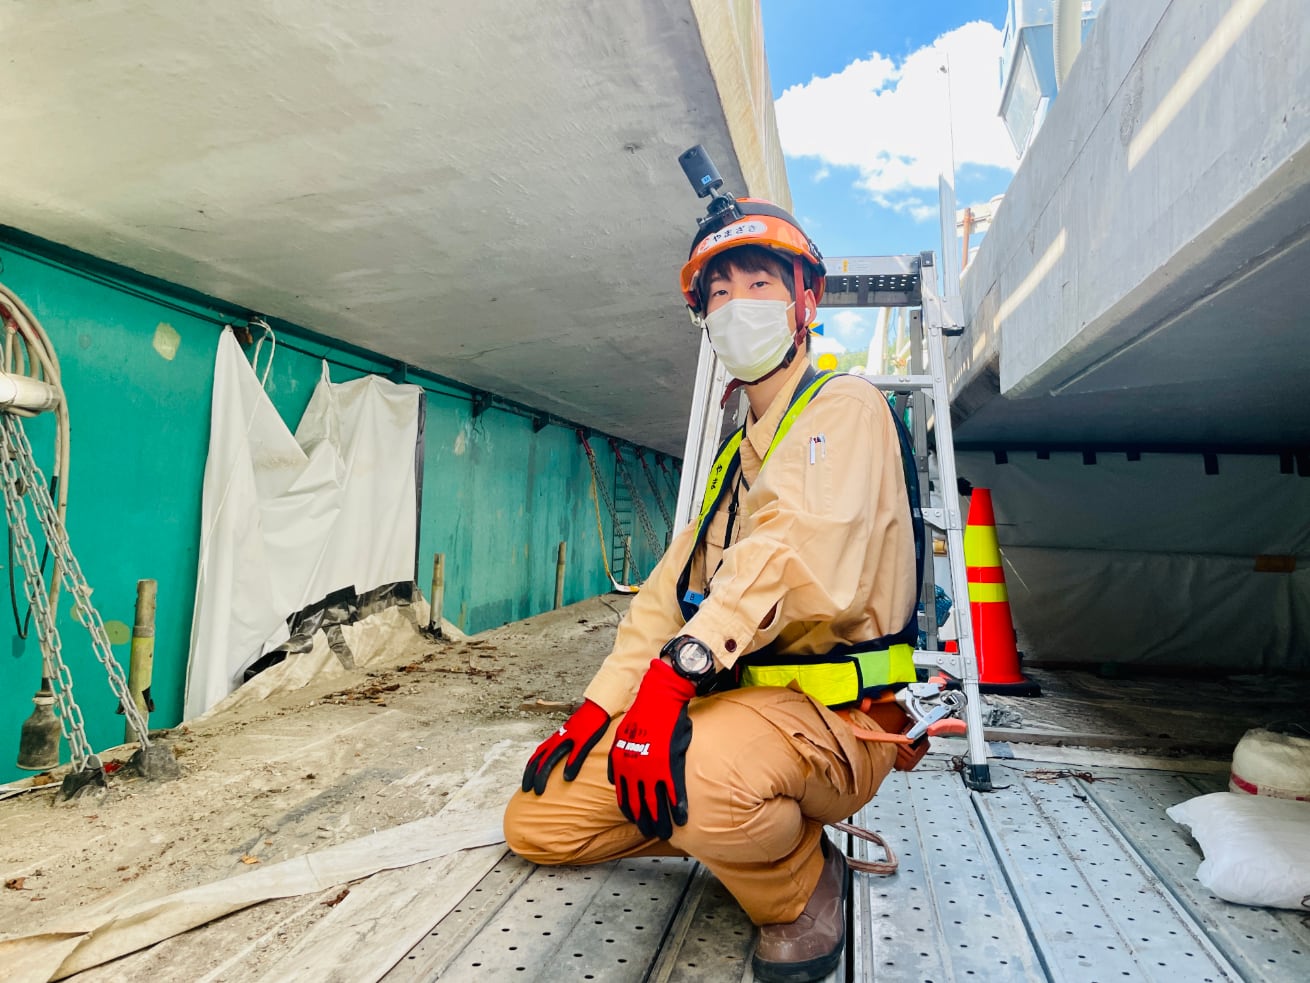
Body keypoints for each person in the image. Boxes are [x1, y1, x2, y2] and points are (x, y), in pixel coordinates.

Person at [503, 196, 923, 983]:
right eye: (719, 294)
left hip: (833, 727)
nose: (737, 308)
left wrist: (670, 682)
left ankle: (804, 884)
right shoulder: (737, 456)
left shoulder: (846, 408)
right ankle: (730, 822)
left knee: (695, 769)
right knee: (539, 819)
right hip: (731, 709)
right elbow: (670, 589)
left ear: (805, 300)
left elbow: (784, 546)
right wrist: (599, 709)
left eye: (759, 283)